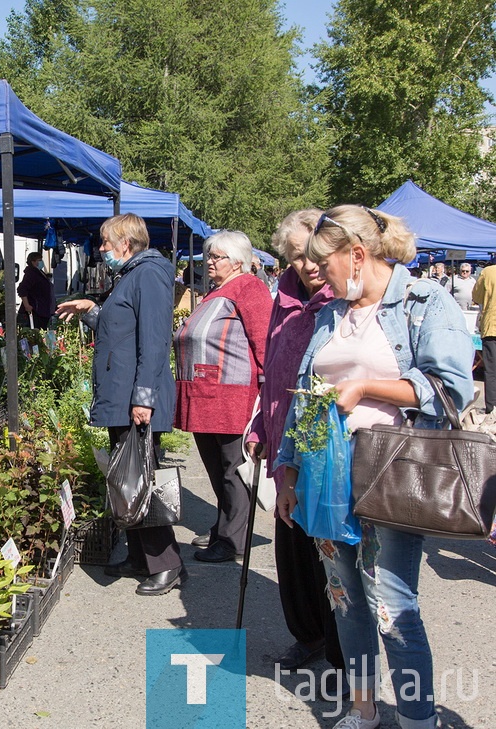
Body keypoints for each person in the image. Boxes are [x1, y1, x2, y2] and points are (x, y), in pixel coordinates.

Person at [275, 205, 474, 729]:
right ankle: (365, 711)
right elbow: (304, 398)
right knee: (345, 601)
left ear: (358, 255)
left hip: (391, 473)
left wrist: (367, 388)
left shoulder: (424, 302)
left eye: (326, 263)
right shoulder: (329, 313)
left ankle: (416, 718)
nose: (318, 274)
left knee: (390, 603)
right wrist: (288, 471)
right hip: (324, 474)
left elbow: (449, 387)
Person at [56, 213, 184, 596]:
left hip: (135, 398)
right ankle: (141, 557)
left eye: (105, 243)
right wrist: (92, 312)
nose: (101, 249)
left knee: (142, 479)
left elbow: (155, 340)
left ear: (126, 243)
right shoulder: (132, 274)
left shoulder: (149, 274)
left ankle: (168, 564)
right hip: (124, 395)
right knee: (128, 480)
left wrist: (144, 397)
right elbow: (122, 330)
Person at [244, 210, 345, 691]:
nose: (305, 265)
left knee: (331, 549)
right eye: (295, 256)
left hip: (329, 447)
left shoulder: (342, 299)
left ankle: (345, 644)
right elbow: (271, 372)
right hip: (285, 442)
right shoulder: (281, 298)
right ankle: (308, 635)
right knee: (293, 550)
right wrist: (263, 426)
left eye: (311, 254)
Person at [173, 230, 273, 563]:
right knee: (218, 468)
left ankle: (233, 541)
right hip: (206, 395)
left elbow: (265, 343)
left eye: (217, 257)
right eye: (209, 256)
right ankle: (225, 527)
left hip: (231, 396)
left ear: (238, 261)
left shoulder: (249, 287)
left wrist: (268, 395)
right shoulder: (218, 291)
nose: (210, 262)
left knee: (233, 468)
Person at [474, 262, 496, 413]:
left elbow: (477, 297)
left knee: (492, 370)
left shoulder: (487, 272)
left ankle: (492, 409)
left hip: (492, 327)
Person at [16, 251, 55, 329]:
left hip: (42, 310)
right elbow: (22, 289)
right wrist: (27, 305)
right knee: (35, 331)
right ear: (33, 262)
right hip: (35, 311)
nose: (41, 262)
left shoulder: (39, 272)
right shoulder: (31, 273)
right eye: (39, 260)